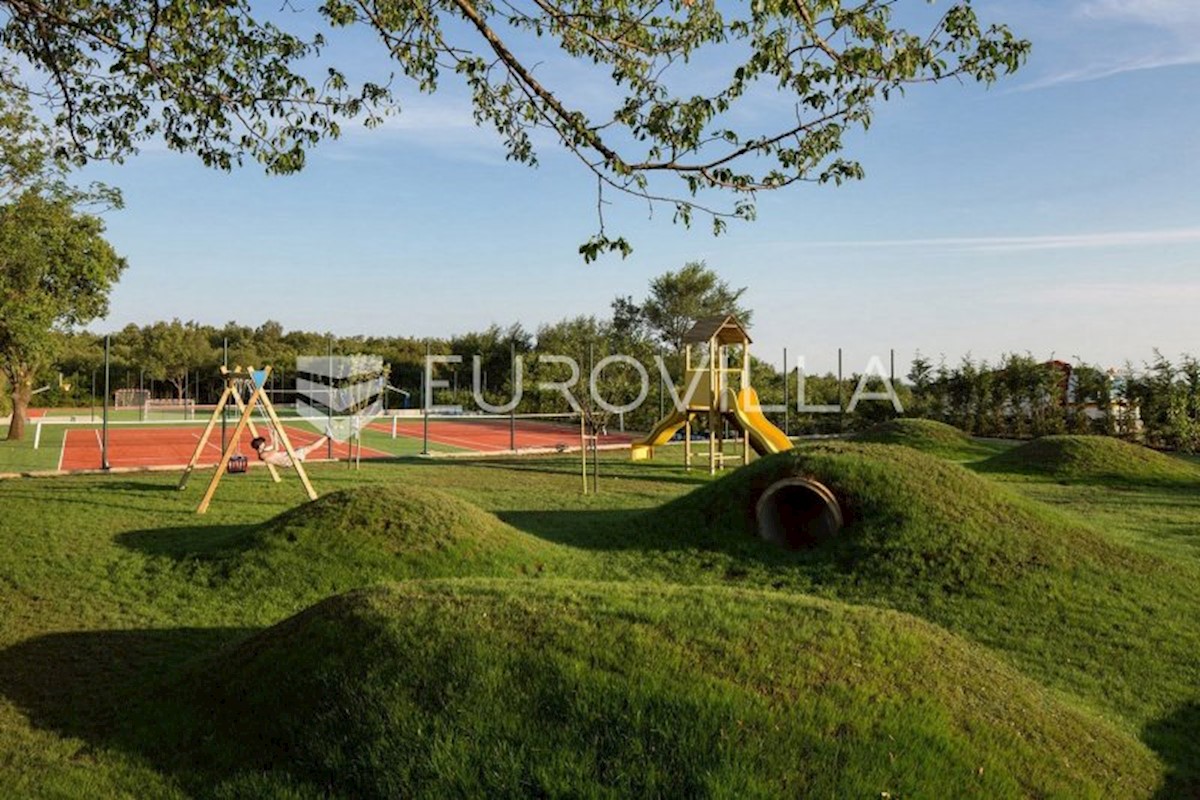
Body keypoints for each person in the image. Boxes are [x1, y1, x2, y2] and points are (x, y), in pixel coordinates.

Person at [250, 429, 329, 468]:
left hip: (286, 457)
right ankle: (327, 436)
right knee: (310, 448)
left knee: (307, 447)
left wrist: (273, 436)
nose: (265, 443)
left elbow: (272, 445)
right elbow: (276, 449)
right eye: (263, 442)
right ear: (260, 445)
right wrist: (275, 436)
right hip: (287, 460)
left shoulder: (264, 451)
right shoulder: (263, 455)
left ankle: (326, 436)